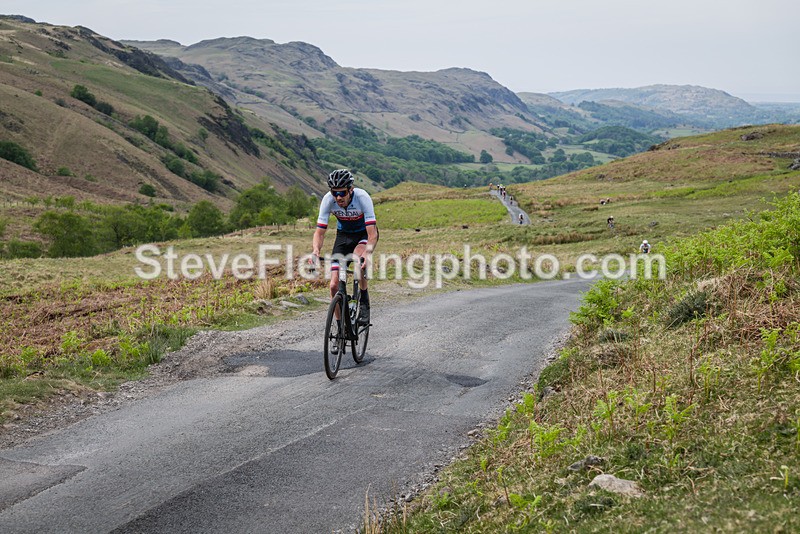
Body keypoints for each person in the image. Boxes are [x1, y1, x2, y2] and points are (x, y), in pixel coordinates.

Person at [311, 169, 378, 325]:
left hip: (363, 235)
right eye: (335, 193)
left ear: (350, 190)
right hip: (343, 236)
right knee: (334, 285)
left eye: (342, 192)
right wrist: (316, 250)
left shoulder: (362, 198)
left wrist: (367, 253)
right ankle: (342, 325)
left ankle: (364, 300)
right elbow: (319, 232)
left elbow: (372, 233)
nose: (338, 197)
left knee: (357, 259)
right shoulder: (328, 200)